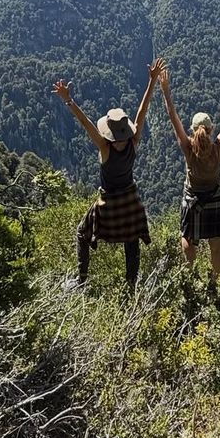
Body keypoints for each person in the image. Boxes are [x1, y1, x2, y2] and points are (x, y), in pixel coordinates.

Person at [52, 58, 164, 289]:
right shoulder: (134, 141)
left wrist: (68, 100)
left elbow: (86, 123)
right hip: (130, 200)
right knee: (131, 241)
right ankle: (131, 284)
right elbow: (143, 110)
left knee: (82, 233)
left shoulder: (105, 148)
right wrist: (152, 81)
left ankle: (82, 280)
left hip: (109, 202)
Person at [159, 66, 220, 284]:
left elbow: (173, 116)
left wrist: (165, 90)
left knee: (189, 240)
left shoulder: (188, 148)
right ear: (210, 130)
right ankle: (213, 283)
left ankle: (189, 281)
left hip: (193, 201)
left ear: (192, 130)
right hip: (217, 200)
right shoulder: (218, 147)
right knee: (216, 245)